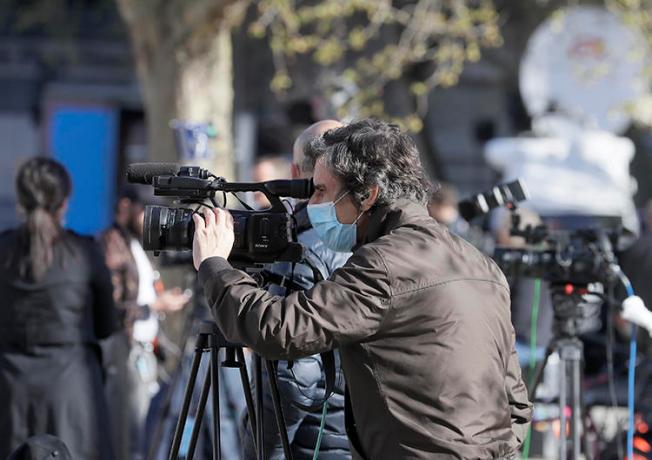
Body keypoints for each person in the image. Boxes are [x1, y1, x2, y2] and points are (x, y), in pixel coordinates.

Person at [192, 119, 532, 459]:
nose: (312, 206)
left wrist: (215, 265)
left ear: (367, 195)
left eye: (322, 191)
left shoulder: (385, 264)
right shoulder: (479, 263)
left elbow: (280, 329)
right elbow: (516, 403)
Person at [240, 120, 351, 460]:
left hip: (312, 444)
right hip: (362, 439)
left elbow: (293, 378)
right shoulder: (375, 236)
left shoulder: (303, 249)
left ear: (293, 174)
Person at [0, 157, 117, 459]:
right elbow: (107, 325)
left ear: (21, 201)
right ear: (64, 202)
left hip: (10, 391)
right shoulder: (84, 253)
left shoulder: (3, 250)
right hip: (71, 394)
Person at [99, 187, 190, 459]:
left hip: (144, 349)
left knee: (144, 426)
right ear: (126, 206)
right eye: (144, 213)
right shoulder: (111, 245)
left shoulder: (135, 244)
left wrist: (158, 300)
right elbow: (110, 307)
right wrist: (155, 305)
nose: (149, 221)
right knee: (129, 429)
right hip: (126, 348)